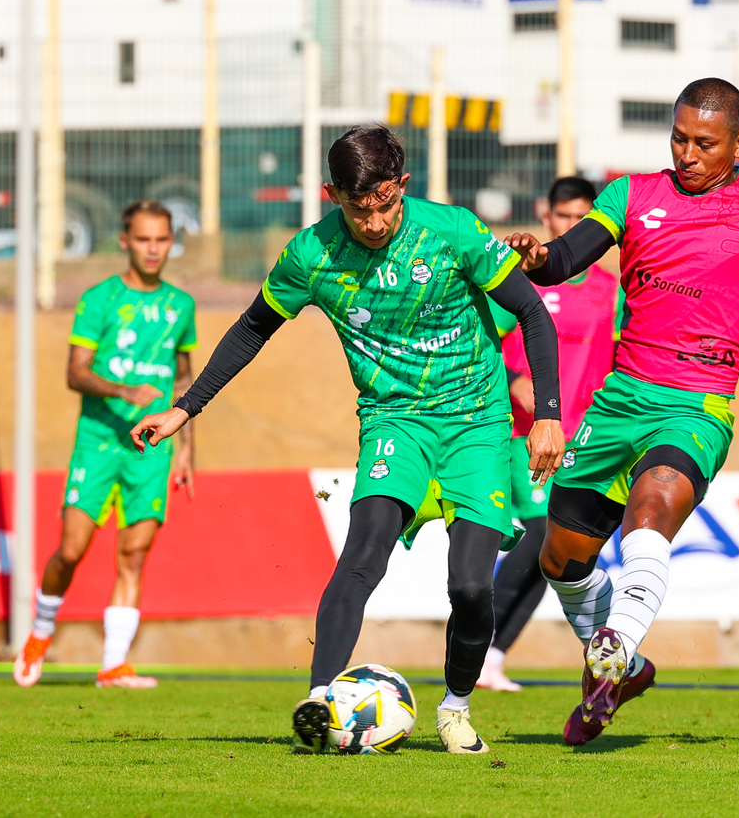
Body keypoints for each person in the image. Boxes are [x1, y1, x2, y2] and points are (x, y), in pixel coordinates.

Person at [128, 125, 565, 755]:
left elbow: (532, 312)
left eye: (386, 203)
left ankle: (455, 706)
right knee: (363, 553)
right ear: (333, 196)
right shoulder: (311, 255)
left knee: (470, 586)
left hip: (476, 423)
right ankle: (320, 700)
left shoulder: (452, 231)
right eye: (359, 209)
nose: (376, 221)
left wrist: (548, 413)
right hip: (394, 422)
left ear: (402, 186)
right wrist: (184, 408)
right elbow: (253, 329)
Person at [506, 78, 739, 745]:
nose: (688, 153)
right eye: (679, 139)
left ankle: (615, 647)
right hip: (619, 397)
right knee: (560, 558)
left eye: (705, 143)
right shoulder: (631, 195)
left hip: (696, 403)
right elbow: (567, 257)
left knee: (652, 505)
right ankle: (621, 670)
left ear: (738, 143)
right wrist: (539, 258)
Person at [13, 200, 197, 690]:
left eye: (162, 239)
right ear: (125, 241)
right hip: (97, 442)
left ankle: (113, 664)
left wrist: (186, 449)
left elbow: (184, 378)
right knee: (71, 551)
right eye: (143, 239)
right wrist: (123, 391)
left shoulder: (182, 305)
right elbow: (74, 373)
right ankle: (39, 633)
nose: (154, 249)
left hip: (152, 447)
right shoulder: (98, 299)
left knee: (134, 554)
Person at [476, 177, 621, 692]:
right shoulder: (522, 283)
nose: (573, 227)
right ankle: (473, 642)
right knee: (538, 532)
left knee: (553, 553)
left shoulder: (610, 293)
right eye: (564, 216)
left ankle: (491, 655)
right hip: (526, 435)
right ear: (545, 215)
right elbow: (479, 341)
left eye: (585, 218)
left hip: (585, 443)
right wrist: (514, 381)